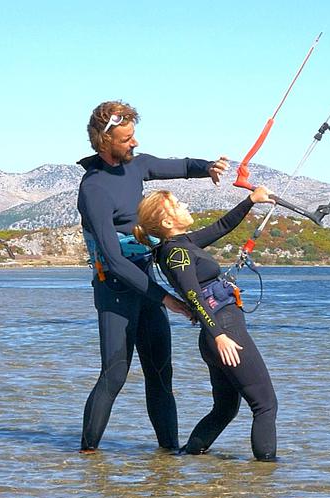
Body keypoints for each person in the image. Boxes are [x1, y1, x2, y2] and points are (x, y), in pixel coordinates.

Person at [76, 100, 229, 453]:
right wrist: (169, 300)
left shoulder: (138, 167)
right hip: (115, 289)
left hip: (147, 282)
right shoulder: (93, 189)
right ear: (104, 140)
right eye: (127, 138)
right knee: (114, 375)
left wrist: (210, 167)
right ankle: (88, 460)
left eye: (134, 135)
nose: (135, 143)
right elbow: (114, 260)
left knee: (161, 376)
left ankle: (168, 460)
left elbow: (179, 166)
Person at [133, 187, 279, 461]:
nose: (184, 203)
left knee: (225, 409)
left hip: (217, 333)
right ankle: (267, 475)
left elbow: (222, 225)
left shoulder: (183, 244)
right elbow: (193, 296)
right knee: (265, 405)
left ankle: (185, 457)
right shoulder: (177, 253)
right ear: (167, 222)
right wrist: (219, 336)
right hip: (223, 332)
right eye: (177, 203)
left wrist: (250, 200)